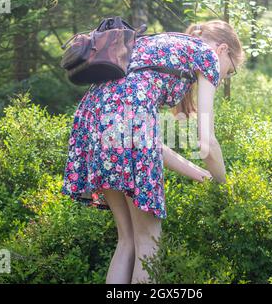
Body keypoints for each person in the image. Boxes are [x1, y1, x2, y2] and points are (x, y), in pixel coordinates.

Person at [61, 19, 245, 284]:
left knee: (127, 241)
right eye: (231, 71)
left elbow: (150, 145)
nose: (225, 76)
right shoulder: (208, 57)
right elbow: (207, 143)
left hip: (93, 117)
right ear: (223, 50)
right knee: (149, 241)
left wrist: (203, 176)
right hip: (125, 122)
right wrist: (226, 187)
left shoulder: (161, 47)